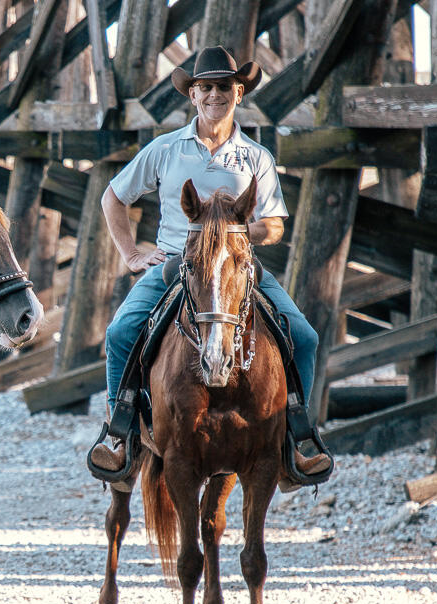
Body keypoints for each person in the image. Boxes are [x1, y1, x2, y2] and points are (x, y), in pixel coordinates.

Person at [88, 46, 332, 485]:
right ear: (193, 95)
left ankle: (297, 434)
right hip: (174, 264)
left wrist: (237, 235)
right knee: (121, 332)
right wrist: (131, 254)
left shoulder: (255, 156)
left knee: (306, 337)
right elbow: (113, 197)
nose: (214, 95)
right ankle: (119, 432)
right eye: (206, 87)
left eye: (224, 87)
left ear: (239, 93)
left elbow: (274, 226)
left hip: (238, 267)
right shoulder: (166, 149)